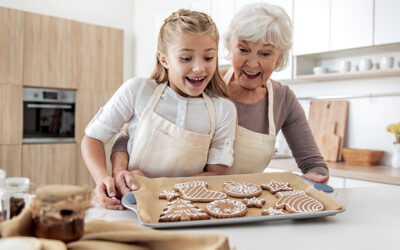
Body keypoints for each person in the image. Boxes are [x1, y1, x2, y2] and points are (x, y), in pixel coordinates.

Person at [111, 2, 329, 201]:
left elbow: (314, 166)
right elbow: (131, 135)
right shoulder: (202, 84)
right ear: (229, 46)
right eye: (243, 50)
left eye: (265, 53)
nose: (252, 64)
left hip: (249, 207)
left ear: (279, 57)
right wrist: (120, 174)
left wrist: (314, 181)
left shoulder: (283, 99)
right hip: (183, 201)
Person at [81, 9, 237, 210]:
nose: (199, 68)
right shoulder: (138, 91)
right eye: (186, 58)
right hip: (129, 207)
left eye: (208, 58)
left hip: (187, 210)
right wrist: (103, 177)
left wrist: (155, 186)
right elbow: (93, 138)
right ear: (164, 59)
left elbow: (217, 174)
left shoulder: (223, 110)